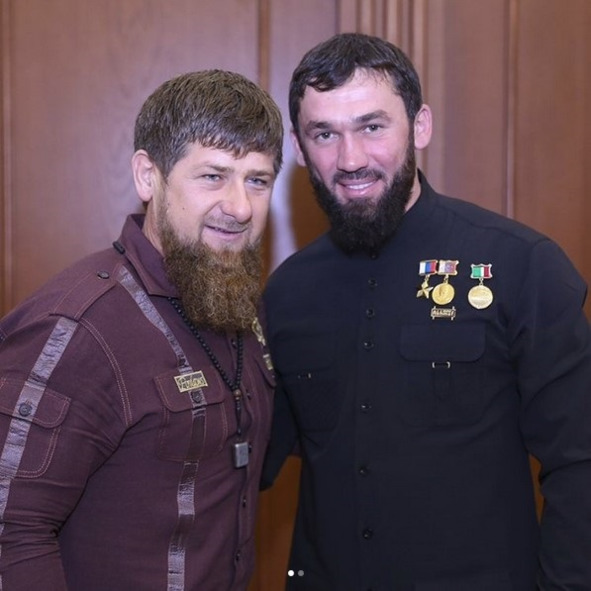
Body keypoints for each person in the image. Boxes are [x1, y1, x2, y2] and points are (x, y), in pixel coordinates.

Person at [261, 32, 591, 590]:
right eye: (325, 134)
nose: (351, 159)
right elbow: (241, 464)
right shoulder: (286, 294)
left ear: (420, 126)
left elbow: (579, 461)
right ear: (298, 146)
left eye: (372, 126)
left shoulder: (521, 266)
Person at [0, 69, 282, 591]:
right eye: (213, 176)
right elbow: (10, 530)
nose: (241, 206)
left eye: (258, 181)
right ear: (148, 177)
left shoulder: (242, 301)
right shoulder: (80, 327)